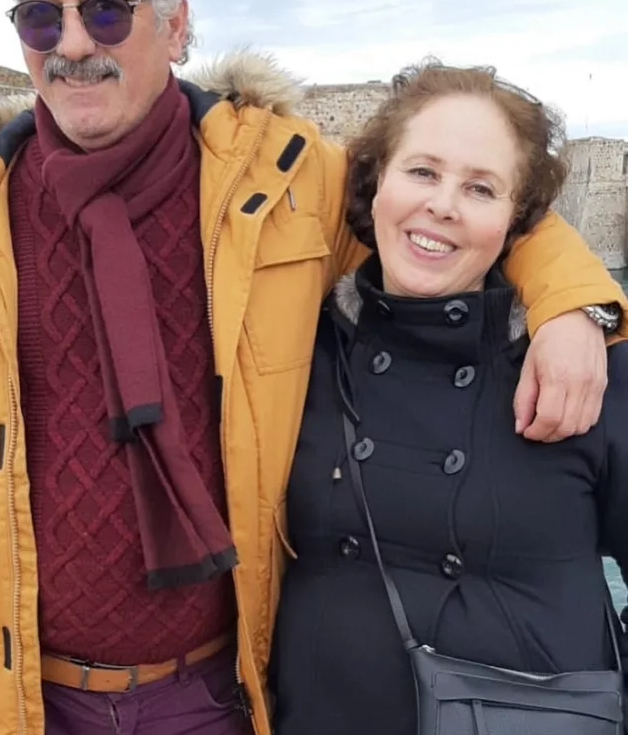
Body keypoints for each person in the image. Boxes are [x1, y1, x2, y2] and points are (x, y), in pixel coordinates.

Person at [0, 0, 625, 732]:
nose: (74, 43)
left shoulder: (286, 181)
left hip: (216, 694)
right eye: (40, 17)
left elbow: (445, 210)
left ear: (177, 22)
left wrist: (575, 306)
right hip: (11, 699)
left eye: (107, 9)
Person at [269, 61, 628, 735]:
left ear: (516, 221)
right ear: (376, 182)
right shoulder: (301, 354)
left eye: (481, 188)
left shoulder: (586, 369)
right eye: (422, 172)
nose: (443, 205)